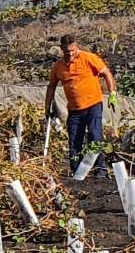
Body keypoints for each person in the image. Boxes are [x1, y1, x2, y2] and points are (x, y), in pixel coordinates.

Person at [45, 35, 118, 174]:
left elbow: (106, 73)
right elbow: (51, 86)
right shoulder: (58, 66)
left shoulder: (88, 58)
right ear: (62, 49)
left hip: (93, 105)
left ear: (77, 47)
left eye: (73, 50)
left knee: (95, 136)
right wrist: (47, 107)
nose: (70, 53)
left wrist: (112, 94)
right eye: (67, 51)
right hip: (74, 110)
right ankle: (77, 171)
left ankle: (101, 169)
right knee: (74, 140)